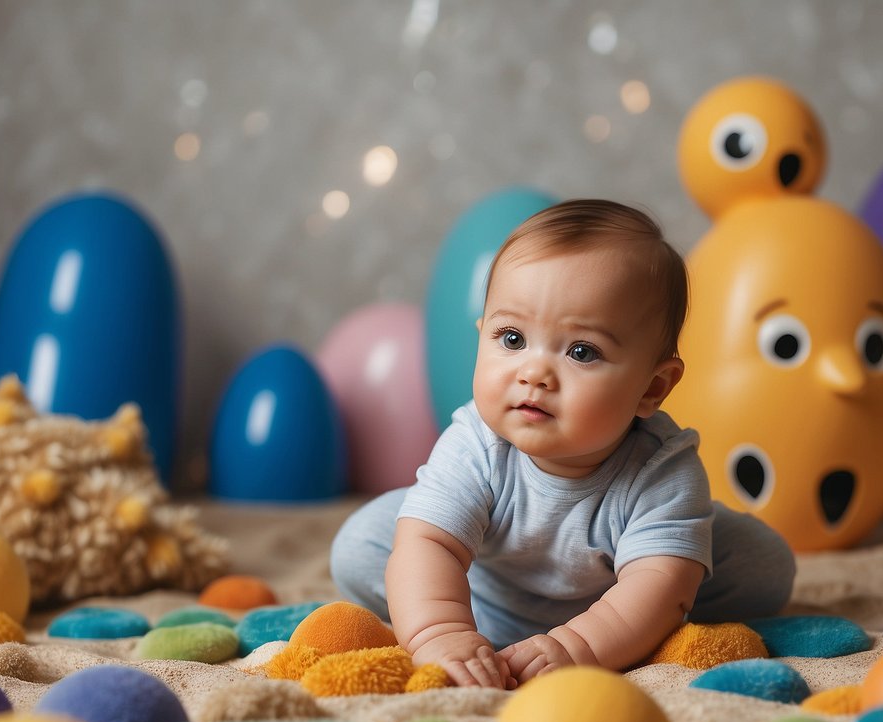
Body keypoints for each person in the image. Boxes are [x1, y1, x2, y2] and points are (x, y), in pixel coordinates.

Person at [331, 199, 795, 689]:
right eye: (511, 339)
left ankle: (640, 624)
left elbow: (654, 583)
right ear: (481, 336)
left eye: (581, 351)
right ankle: (467, 616)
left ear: (652, 388)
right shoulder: (476, 443)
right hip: (478, 585)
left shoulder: (661, 468)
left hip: (622, 596)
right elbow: (432, 544)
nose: (533, 373)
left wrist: (577, 647)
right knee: (368, 544)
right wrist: (440, 633)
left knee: (761, 564)